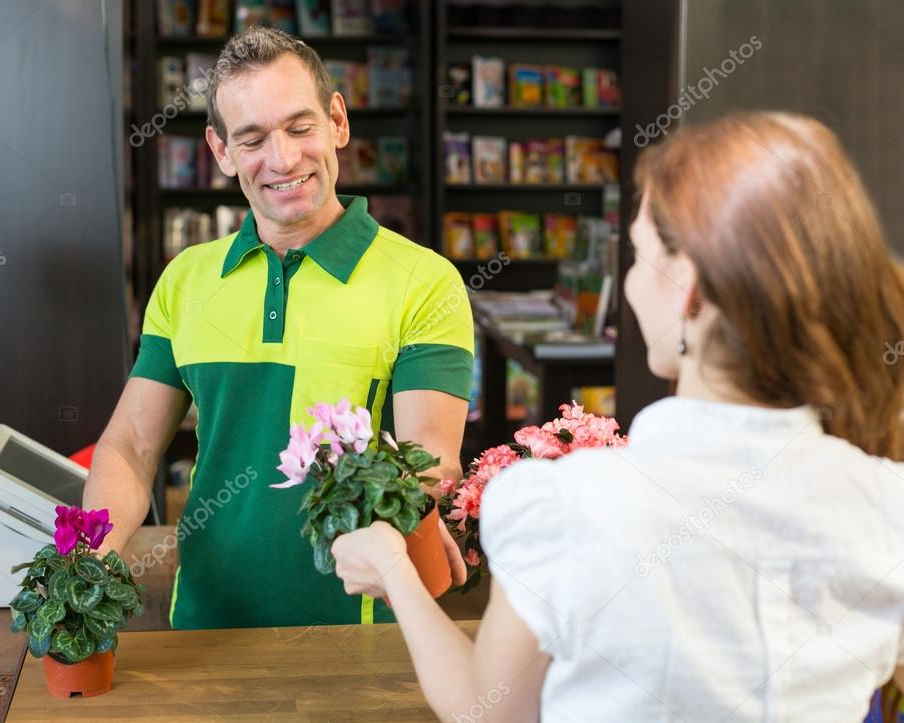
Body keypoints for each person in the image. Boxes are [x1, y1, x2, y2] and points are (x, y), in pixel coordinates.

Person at [332, 111, 904, 721]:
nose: (630, 284)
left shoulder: (568, 504)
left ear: (687, 285)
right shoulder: (885, 499)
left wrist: (396, 571)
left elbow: (488, 710)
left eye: (637, 255)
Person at [83, 27, 471, 630]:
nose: (283, 159)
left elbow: (433, 463)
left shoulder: (425, 281)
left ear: (337, 122)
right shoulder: (184, 279)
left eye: (299, 127)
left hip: (361, 630)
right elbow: (130, 448)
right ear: (220, 151)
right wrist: (90, 559)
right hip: (205, 626)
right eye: (253, 138)